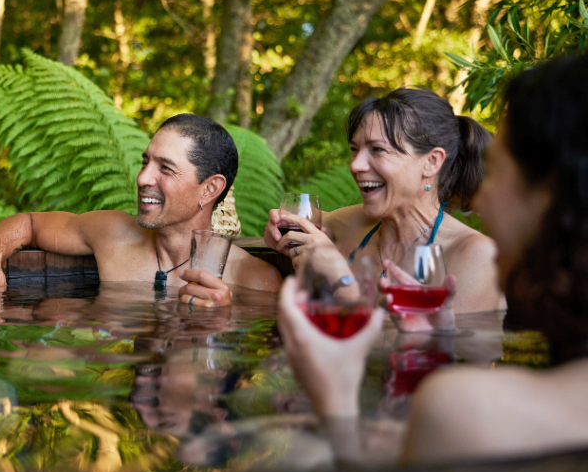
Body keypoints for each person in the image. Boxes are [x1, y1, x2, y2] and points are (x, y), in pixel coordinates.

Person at [279, 53, 588, 463]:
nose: (480, 199)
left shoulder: (464, 408)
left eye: (495, 173)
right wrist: (430, 348)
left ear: (551, 196)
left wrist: (333, 399)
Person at [185, 88, 504, 318]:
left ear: (431, 163)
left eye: (377, 150)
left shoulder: (476, 257)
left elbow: (449, 365)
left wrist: (342, 280)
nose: (355, 165)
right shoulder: (346, 224)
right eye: (355, 150)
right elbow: (298, 223)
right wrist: (280, 231)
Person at [0, 114, 281, 300]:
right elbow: (29, 222)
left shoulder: (255, 281)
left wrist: (220, 328)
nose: (143, 178)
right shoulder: (113, 234)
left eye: (165, 169)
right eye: (146, 162)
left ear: (210, 188)